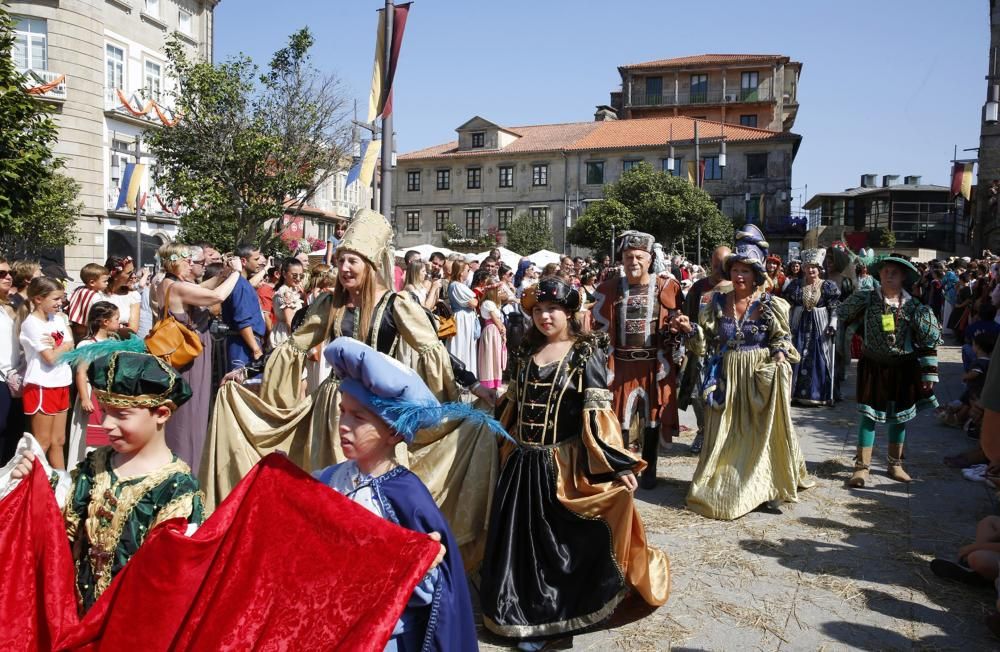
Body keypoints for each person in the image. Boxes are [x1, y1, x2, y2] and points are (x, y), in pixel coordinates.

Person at [203, 208, 501, 569]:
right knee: (333, 495)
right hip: (333, 410)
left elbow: (432, 350)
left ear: (372, 264)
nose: (345, 268)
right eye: (342, 259)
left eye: (353, 261)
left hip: (380, 412)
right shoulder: (329, 304)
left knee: (377, 493)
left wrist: (472, 385)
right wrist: (249, 371)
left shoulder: (396, 305)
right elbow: (294, 346)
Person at [480, 277, 670, 648]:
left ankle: (556, 621)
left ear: (569, 314)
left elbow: (597, 413)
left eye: (552, 310)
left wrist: (618, 465)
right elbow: (512, 409)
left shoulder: (584, 354)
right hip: (522, 466)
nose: (544, 317)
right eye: (537, 310)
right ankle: (519, 613)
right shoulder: (524, 352)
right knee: (521, 545)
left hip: (561, 466)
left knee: (558, 546)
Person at [5, 350, 204, 613]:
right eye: (105, 410)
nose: (107, 423)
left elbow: (172, 584)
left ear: (162, 413)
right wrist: (35, 486)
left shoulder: (177, 490)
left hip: (131, 625)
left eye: (121, 415)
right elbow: (61, 530)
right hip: (75, 618)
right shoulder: (96, 465)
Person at [315, 338, 480, 650]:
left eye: (358, 417)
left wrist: (414, 565)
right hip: (337, 627)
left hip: (388, 635)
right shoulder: (331, 479)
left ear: (392, 431)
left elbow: (434, 587)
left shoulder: (407, 496)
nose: (344, 426)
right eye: (343, 412)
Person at [686, 225, 813, 519]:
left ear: (757, 275)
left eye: (746, 271)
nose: (739, 276)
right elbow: (703, 343)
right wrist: (690, 329)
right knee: (725, 434)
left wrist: (780, 354)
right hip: (727, 376)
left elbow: (782, 337)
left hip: (758, 376)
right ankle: (724, 483)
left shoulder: (771, 304)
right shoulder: (716, 303)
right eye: (735, 270)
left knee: (760, 433)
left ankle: (766, 487)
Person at [837, 254, 940, 486]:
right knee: (867, 417)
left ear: (904, 276)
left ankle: (895, 465)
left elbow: (928, 341)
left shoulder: (915, 307)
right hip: (872, 367)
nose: (889, 275)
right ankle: (861, 468)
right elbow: (842, 315)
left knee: (899, 419)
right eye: (885, 271)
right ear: (879, 274)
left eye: (895, 271)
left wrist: (929, 374)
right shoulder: (866, 299)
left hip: (903, 368)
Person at [592, 230, 684, 489]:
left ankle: (650, 469)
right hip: (620, 364)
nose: (633, 261)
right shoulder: (609, 289)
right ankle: (622, 468)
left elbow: (676, 320)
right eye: (628, 256)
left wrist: (678, 331)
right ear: (621, 259)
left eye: (639, 257)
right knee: (619, 418)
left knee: (652, 419)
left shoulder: (666, 286)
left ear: (650, 258)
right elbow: (598, 327)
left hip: (653, 365)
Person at [157, 243, 241, 474]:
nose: (193, 265)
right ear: (175, 261)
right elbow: (215, 296)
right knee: (189, 417)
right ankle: (185, 470)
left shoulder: (167, 283)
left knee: (186, 416)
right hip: (189, 358)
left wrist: (223, 274)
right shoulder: (177, 288)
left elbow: (203, 287)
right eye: (188, 261)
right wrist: (237, 273)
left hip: (186, 357)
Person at [679, 245, 731, 454]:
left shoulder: (735, 287)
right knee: (696, 393)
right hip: (699, 348)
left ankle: (721, 437)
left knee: (722, 395)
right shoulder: (698, 287)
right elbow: (688, 314)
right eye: (715, 264)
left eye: (723, 265)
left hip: (725, 350)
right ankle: (702, 431)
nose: (718, 269)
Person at [18, 276, 74, 470]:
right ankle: (30, 487)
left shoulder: (57, 319)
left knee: (59, 440)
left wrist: (62, 346)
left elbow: (70, 344)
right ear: (38, 299)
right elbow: (49, 358)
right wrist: (63, 346)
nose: (60, 303)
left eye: (61, 298)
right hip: (42, 385)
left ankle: (62, 483)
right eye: (56, 299)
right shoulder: (31, 324)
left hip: (61, 382)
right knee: (42, 443)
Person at [66, 301, 122, 469]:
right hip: (91, 393)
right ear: (105, 322)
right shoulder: (87, 344)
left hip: (109, 395)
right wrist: (84, 398)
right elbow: (81, 373)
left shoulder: (115, 342)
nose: (120, 322)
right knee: (86, 437)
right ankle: (83, 469)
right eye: (117, 319)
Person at [784, 249, 841, 406]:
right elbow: (787, 303)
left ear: (819, 269)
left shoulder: (828, 286)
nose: (811, 270)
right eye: (807, 267)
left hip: (819, 325)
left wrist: (833, 322)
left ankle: (819, 394)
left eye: (814, 267)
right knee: (797, 355)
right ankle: (794, 393)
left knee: (820, 356)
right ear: (803, 269)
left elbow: (834, 306)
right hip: (799, 325)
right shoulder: (795, 285)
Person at [222, 244, 267, 371]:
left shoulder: (243, 283)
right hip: (242, 345)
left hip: (246, 342)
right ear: (243, 261)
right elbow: (243, 321)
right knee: (241, 386)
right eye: (256, 259)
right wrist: (256, 349)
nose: (260, 263)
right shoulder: (240, 285)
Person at [0, 258, 24, 465]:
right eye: (2, 274)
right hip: (1, 378)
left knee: (13, 433)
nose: (8, 277)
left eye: (9, 273)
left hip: (16, 377)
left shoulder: (14, 303)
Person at [446, 260, 478, 374]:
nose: (469, 272)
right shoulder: (457, 286)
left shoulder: (457, 285)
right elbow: (473, 302)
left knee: (465, 344)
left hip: (465, 317)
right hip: (462, 318)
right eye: (467, 270)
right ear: (461, 272)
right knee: (460, 345)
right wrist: (474, 300)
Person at [268, 257, 306, 351]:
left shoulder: (289, 291)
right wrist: (297, 342)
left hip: (284, 332)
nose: (298, 279)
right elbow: (290, 322)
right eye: (294, 275)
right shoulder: (285, 292)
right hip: (286, 335)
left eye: (301, 276)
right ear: (284, 274)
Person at [66, 263, 110, 342]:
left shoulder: (78, 289)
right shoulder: (96, 297)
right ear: (92, 282)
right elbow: (101, 312)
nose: (107, 283)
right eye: (105, 281)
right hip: (88, 329)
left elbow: (68, 299)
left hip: (75, 327)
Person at [477, 281, 507, 391]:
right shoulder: (488, 303)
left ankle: (495, 382)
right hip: (492, 331)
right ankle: (489, 382)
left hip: (494, 331)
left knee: (495, 355)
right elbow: (496, 320)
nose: (500, 292)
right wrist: (503, 331)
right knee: (491, 355)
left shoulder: (493, 304)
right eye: (498, 290)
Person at [102, 256, 142, 335]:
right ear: (115, 276)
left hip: (122, 343)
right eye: (129, 273)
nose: (133, 276)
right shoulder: (99, 294)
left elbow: (133, 329)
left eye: (133, 271)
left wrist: (106, 331)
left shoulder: (133, 295)